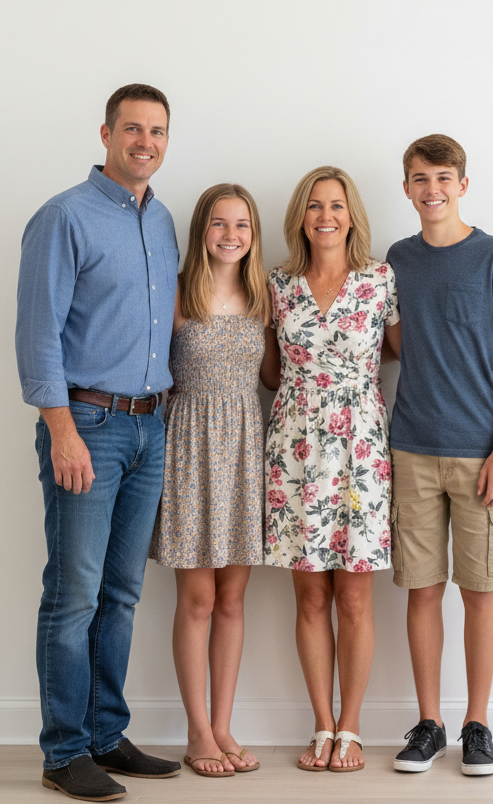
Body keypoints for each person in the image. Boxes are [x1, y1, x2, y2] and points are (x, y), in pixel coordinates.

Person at [16, 84, 182, 802]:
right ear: (108, 132)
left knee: (121, 593)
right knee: (74, 595)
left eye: (158, 131)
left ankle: (106, 735)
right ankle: (63, 751)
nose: (145, 142)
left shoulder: (165, 219)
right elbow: (36, 335)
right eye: (133, 129)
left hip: (151, 427)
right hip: (87, 427)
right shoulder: (63, 217)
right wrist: (61, 433)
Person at [386, 134, 493, 777]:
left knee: (479, 590)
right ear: (408, 187)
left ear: (463, 184)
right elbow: (390, 341)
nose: (432, 189)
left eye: (443, 177)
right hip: (411, 446)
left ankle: (478, 723)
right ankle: (430, 723)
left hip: (478, 452)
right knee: (421, 590)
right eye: (420, 178)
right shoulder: (396, 260)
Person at [264, 166, 401, 773]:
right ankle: (321, 724)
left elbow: (409, 353)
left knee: (354, 596)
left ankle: (352, 728)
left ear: (352, 216)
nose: (326, 215)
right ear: (301, 215)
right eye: (315, 205)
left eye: (337, 206)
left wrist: (490, 369)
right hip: (294, 449)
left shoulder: (379, 280)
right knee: (310, 594)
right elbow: (269, 369)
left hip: (361, 452)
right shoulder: (278, 284)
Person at [149, 184, 280, 777]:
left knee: (232, 599)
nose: (232, 235)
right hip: (189, 449)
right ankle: (197, 731)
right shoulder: (176, 293)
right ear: (202, 230)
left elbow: (280, 374)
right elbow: (147, 368)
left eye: (243, 225)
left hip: (246, 451)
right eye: (220, 224)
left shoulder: (263, 297)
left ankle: (224, 724)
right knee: (197, 599)